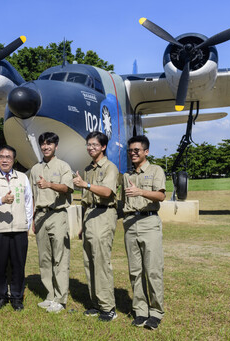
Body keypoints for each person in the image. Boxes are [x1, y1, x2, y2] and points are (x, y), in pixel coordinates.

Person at [73, 131, 119, 322]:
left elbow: (107, 192)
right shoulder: (88, 169)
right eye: (88, 145)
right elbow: (85, 201)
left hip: (104, 214)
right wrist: (83, 225)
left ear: (103, 147)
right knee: (89, 261)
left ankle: (109, 308)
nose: (91, 148)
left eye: (94, 145)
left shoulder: (110, 168)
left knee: (101, 262)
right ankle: (96, 303)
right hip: (90, 216)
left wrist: (86, 184)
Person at [121, 135, 166, 330]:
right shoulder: (126, 175)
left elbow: (161, 195)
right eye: (130, 150)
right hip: (130, 223)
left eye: (136, 150)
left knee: (153, 269)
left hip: (149, 221)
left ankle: (156, 312)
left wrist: (141, 192)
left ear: (146, 151)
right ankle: (141, 310)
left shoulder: (156, 170)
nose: (133, 153)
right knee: (135, 271)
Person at [0, 145, 33, 311]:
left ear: (13, 159)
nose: (4, 160)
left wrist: (27, 225)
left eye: (8, 157)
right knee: (0, 265)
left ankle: (17, 297)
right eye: (1, 156)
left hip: (19, 229)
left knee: (18, 265)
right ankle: (1, 297)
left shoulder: (23, 178)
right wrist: (1, 200)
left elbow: (28, 203)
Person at [29, 132, 73, 313]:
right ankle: (50, 295)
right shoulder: (34, 169)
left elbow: (67, 188)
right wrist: (32, 217)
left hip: (57, 214)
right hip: (40, 215)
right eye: (43, 144)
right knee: (44, 259)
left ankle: (61, 299)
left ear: (56, 146)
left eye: (49, 144)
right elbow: (32, 196)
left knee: (60, 258)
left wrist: (49, 185)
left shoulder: (63, 166)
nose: (46, 147)